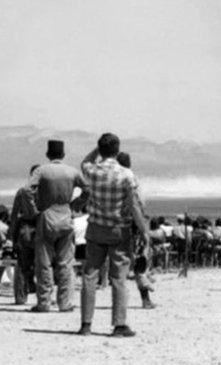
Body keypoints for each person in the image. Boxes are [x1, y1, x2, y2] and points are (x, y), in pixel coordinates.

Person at [78, 133, 146, 337]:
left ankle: (86, 324)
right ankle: (118, 324)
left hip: (96, 228)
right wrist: (144, 231)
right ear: (117, 150)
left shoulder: (92, 171)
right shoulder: (126, 174)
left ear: (100, 149)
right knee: (119, 278)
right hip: (119, 229)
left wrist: (98, 150)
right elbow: (134, 206)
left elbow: (84, 162)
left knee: (90, 275)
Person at [29, 139, 89, 313]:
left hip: (46, 216)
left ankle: (44, 302)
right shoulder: (72, 171)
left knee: (44, 263)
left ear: (48, 154)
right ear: (63, 154)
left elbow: (28, 190)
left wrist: (34, 208)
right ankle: (64, 302)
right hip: (66, 216)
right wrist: (75, 205)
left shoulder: (41, 170)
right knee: (65, 263)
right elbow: (88, 190)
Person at [116, 151, 155, 309]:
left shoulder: (113, 179)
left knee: (118, 263)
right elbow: (138, 206)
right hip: (134, 226)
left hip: (116, 225)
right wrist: (144, 229)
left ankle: (119, 301)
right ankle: (145, 298)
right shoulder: (133, 180)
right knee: (140, 262)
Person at [8, 165, 39, 305]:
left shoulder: (22, 191)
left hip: (24, 228)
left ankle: (20, 297)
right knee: (44, 264)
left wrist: (11, 237)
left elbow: (14, 215)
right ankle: (44, 297)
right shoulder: (46, 192)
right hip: (41, 229)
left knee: (21, 265)